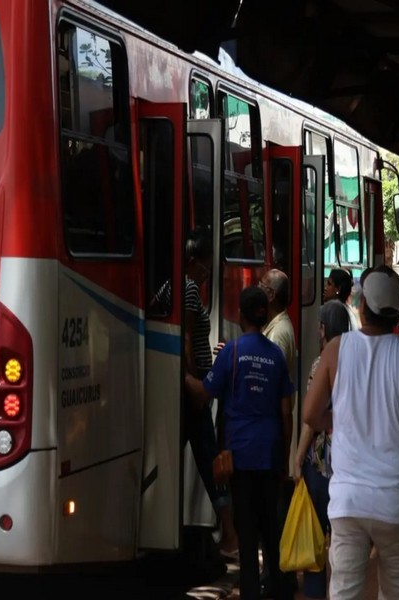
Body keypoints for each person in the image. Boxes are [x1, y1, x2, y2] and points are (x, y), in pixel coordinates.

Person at [303, 267, 399, 600]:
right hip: (395, 501)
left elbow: (310, 413)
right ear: (398, 312)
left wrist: (335, 420)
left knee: (344, 592)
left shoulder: (336, 349)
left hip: (348, 501)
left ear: (362, 307)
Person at [186, 286, 295, 600]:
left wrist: (180, 374)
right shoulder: (275, 354)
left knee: (247, 539)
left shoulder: (231, 352)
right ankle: (278, 591)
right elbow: (286, 413)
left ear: (240, 314)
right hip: (270, 456)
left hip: (241, 459)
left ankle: (250, 593)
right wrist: (284, 459)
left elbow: (203, 392)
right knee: (271, 533)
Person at [153, 227, 238, 556]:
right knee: (210, 458)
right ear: (190, 262)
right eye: (204, 268)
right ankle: (229, 532)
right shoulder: (186, 288)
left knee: (201, 456)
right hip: (193, 393)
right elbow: (185, 339)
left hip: (191, 389)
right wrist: (194, 385)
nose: (206, 276)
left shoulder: (173, 286)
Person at [293, 300, 350, 599]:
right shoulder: (356, 359)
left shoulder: (321, 363)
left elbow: (310, 420)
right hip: (349, 462)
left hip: (321, 464)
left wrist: (298, 456)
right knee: (343, 542)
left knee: (316, 537)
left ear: (324, 328)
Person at [259, 268, 297, 598]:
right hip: (274, 434)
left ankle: (276, 578)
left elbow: (278, 396)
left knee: (271, 516)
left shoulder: (277, 336)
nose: (258, 289)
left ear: (271, 295)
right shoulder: (280, 328)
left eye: (262, 286)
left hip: (271, 436)